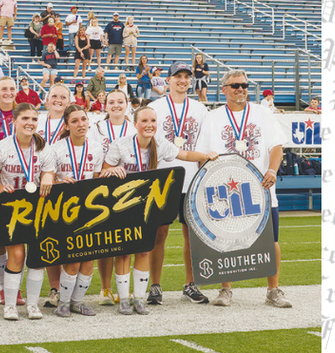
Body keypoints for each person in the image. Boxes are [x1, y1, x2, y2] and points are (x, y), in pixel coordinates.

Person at [102, 106, 218, 314]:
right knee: (124, 252)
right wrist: (111, 169)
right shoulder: (120, 145)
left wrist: (206, 155)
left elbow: (185, 154)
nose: (149, 125)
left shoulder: (160, 143)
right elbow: (102, 172)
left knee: (144, 250)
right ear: (135, 124)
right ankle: (124, 300)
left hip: (147, 205)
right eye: (144, 121)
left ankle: (139, 298)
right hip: (124, 205)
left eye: (153, 121)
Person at [200, 70, 292, 308]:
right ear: (224, 89)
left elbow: (276, 146)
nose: (240, 89)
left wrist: (272, 170)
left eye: (244, 85)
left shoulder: (263, 113)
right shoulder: (212, 117)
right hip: (225, 191)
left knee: (271, 240)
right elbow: (203, 155)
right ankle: (226, 289)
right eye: (235, 85)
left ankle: (273, 290)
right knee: (225, 241)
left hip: (260, 188)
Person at [37, 104, 110, 317]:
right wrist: (59, 182)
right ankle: (63, 303)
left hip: (89, 211)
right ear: (67, 125)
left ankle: (76, 302)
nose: (81, 124)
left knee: (89, 259)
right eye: (75, 121)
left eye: (83, 119)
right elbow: (47, 180)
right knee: (73, 258)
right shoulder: (55, 149)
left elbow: (96, 179)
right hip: (64, 211)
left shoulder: (96, 148)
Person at [148, 62, 212, 305]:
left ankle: (191, 283)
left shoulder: (200, 109)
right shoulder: (155, 107)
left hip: (192, 180)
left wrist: (203, 178)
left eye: (186, 76)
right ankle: (155, 285)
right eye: (178, 76)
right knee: (158, 234)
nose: (183, 80)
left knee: (192, 236)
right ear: (168, 80)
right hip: (163, 179)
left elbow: (204, 146)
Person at [0, 103, 47, 320]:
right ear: (14, 121)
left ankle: (32, 305)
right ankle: (10, 305)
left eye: (34, 119)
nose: (30, 123)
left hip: (38, 209)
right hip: (10, 209)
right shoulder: (1, 148)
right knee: (16, 254)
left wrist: (48, 178)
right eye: (25, 118)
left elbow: (49, 173)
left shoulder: (43, 148)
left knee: (37, 256)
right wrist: (0, 188)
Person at [93, 90, 136, 304]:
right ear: (105, 105)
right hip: (101, 189)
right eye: (112, 102)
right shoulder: (96, 128)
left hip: (129, 189)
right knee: (104, 241)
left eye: (120, 101)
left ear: (127, 104)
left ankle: (123, 289)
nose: (116, 105)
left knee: (125, 241)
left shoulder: (134, 128)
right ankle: (105, 289)